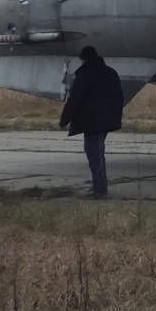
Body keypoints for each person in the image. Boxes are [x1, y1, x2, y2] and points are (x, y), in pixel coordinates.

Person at [59, 45, 125, 198]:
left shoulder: (85, 75)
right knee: (99, 154)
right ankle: (99, 187)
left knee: (94, 156)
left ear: (83, 59)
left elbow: (74, 99)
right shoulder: (111, 73)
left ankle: (99, 190)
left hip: (91, 121)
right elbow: (119, 97)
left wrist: (64, 120)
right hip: (107, 120)